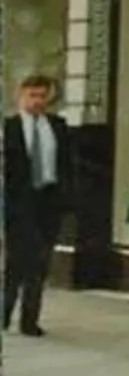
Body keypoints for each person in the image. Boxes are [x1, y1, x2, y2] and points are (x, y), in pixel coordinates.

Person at [4, 75, 73, 336]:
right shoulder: (9, 127)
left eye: (42, 96)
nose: (37, 101)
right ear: (20, 96)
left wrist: (66, 199)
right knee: (16, 262)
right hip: (19, 203)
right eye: (32, 95)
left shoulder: (57, 126)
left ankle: (30, 321)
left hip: (47, 201)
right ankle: (4, 313)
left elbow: (66, 165)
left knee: (40, 263)